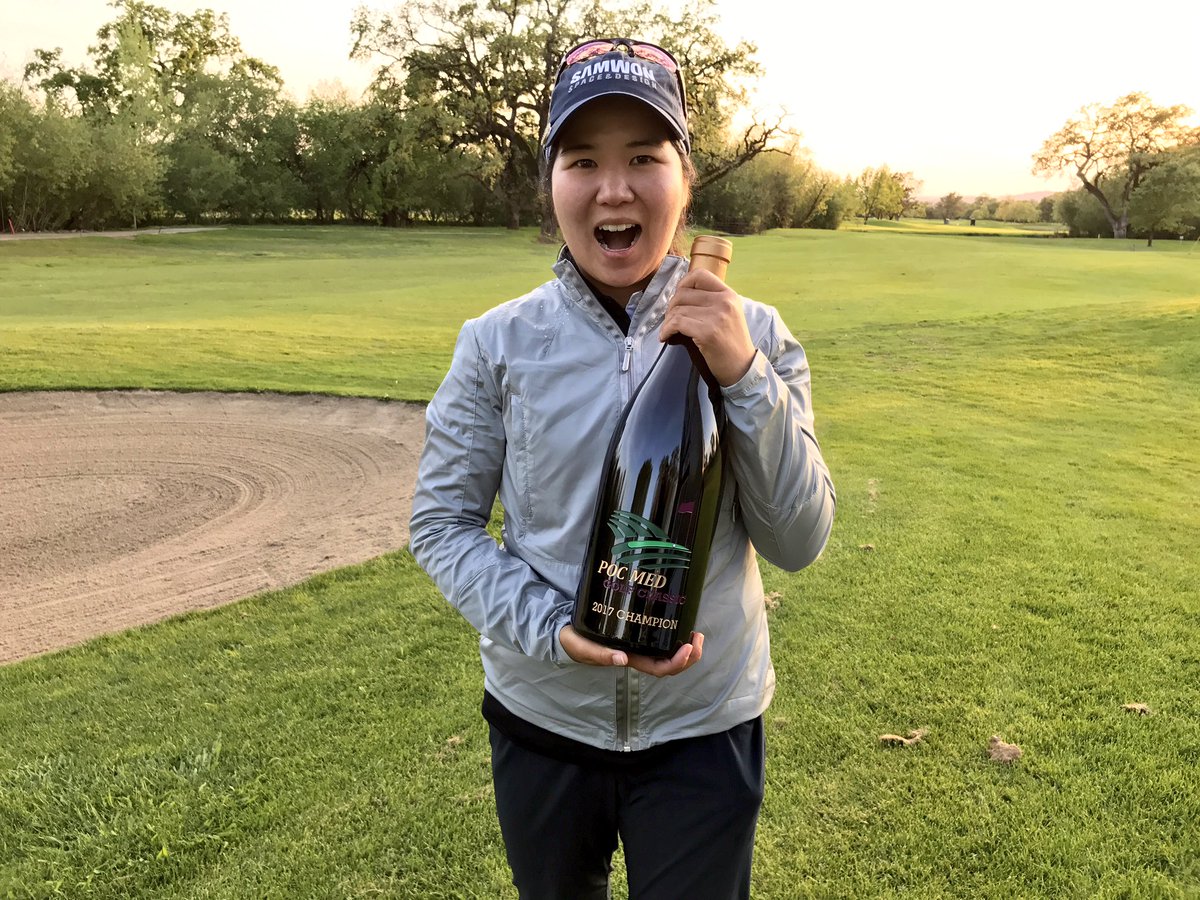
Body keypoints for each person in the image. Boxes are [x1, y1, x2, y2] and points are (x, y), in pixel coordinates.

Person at [409, 36, 836, 900]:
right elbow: (441, 525)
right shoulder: (496, 343)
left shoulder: (759, 333)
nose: (614, 188)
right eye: (583, 160)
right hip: (542, 717)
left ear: (686, 180)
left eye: (644, 157)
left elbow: (799, 541)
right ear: (551, 182)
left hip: (704, 728)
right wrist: (552, 628)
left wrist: (742, 374)